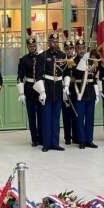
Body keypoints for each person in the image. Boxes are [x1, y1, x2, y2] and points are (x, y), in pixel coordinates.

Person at [34, 22, 70, 152]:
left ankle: (55, 142)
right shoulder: (42, 56)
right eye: (52, 41)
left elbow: (66, 72)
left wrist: (66, 86)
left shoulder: (62, 55)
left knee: (56, 118)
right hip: (47, 88)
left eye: (56, 41)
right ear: (48, 42)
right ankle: (46, 143)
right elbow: (38, 75)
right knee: (46, 118)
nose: (54, 43)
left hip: (59, 88)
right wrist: (42, 91)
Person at [70, 28, 99, 149]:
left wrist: (97, 92)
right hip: (79, 91)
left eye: (83, 48)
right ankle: (81, 140)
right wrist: (82, 64)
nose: (81, 50)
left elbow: (96, 75)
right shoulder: (72, 61)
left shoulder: (90, 59)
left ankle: (89, 139)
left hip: (90, 90)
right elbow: (75, 74)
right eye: (78, 48)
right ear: (76, 49)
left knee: (90, 117)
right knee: (80, 117)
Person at [17, 28, 42, 147]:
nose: (32, 47)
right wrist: (21, 93)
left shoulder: (41, 57)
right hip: (29, 89)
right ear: (27, 46)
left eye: (34, 45)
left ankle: (42, 137)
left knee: (42, 115)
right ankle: (34, 139)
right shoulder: (23, 60)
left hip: (41, 88)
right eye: (30, 46)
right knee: (32, 116)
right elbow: (20, 77)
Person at [61, 31, 76, 145]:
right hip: (64, 90)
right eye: (67, 49)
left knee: (75, 114)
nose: (69, 50)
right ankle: (67, 137)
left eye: (71, 48)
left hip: (76, 90)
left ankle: (76, 136)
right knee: (66, 115)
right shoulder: (62, 61)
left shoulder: (76, 61)